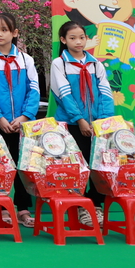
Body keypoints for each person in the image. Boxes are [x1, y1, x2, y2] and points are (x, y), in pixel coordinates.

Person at [0, 11, 39, 228]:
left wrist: (24, 116)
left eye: (4, 30)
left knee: (22, 165)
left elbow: (34, 90)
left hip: (21, 124)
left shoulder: (26, 59)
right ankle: (1, 208)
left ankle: (23, 209)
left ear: (15, 33)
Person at [52, 20, 115, 227]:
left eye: (81, 37)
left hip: (97, 125)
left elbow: (105, 92)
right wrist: (79, 120)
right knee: (78, 167)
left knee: (99, 165)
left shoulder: (96, 64)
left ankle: (95, 205)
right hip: (71, 124)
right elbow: (64, 94)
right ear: (63, 40)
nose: (78, 42)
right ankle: (80, 207)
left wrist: (103, 121)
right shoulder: (59, 64)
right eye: (72, 38)